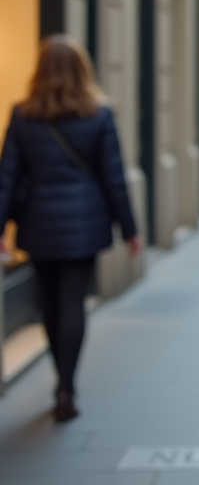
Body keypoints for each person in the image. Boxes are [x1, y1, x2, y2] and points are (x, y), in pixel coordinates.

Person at [0, 35, 139, 422]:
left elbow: (7, 177)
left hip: (39, 222)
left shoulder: (22, 114)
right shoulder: (98, 115)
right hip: (84, 222)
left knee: (48, 302)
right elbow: (115, 177)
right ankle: (67, 386)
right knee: (72, 301)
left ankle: (60, 377)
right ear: (82, 70)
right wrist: (130, 229)